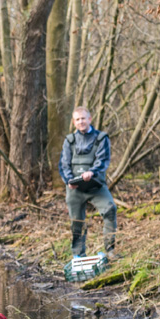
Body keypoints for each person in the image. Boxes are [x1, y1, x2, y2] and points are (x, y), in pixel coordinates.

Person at [59, 106, 117, 259]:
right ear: (74, 122)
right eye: (77, 119)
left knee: (110, 209)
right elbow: (64, 164)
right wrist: (69, 180)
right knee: (76, 222)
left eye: (83, 118)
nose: (81, 122)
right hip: (75, 188)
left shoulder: (101, 138)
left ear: (90, 119)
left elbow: (103, 160)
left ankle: (110, 250)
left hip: (96, 184)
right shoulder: (69, 141)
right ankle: (78, 255)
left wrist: (92, 172)